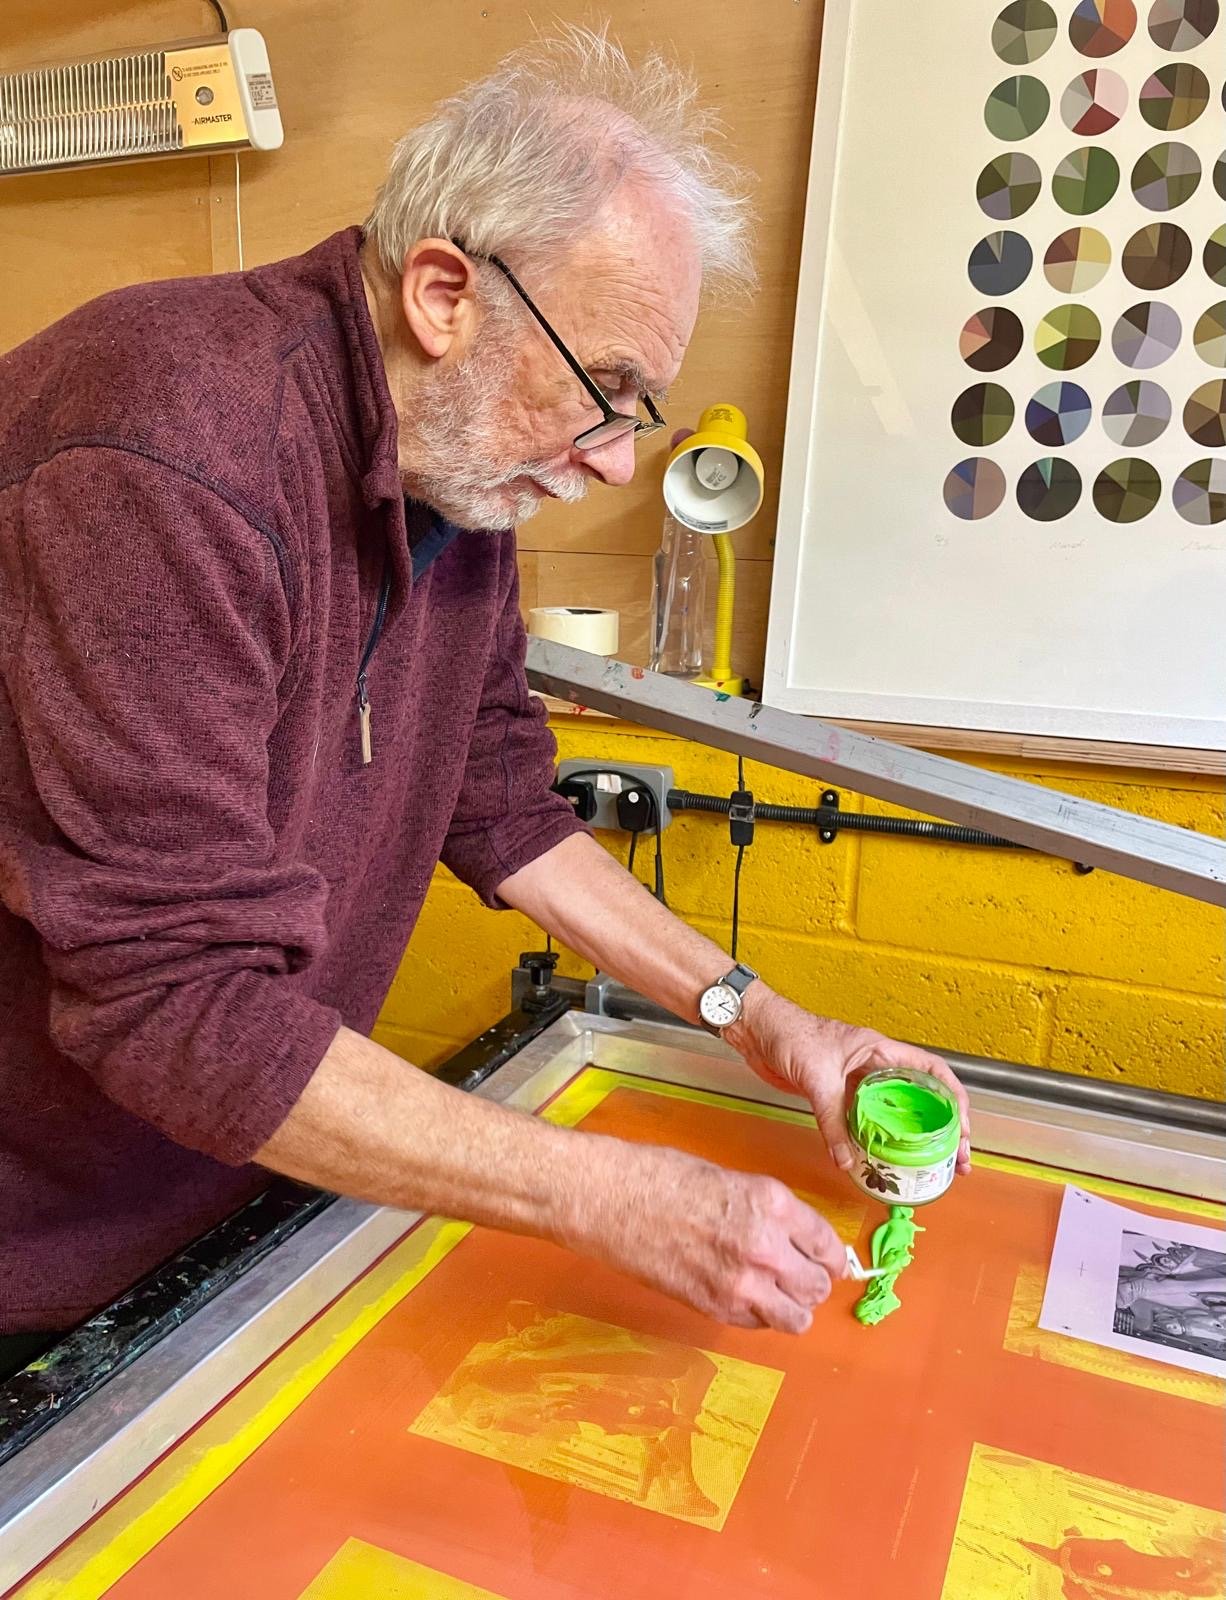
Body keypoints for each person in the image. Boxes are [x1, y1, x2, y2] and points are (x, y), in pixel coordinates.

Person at [0, 27, 970, 1377]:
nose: (616, 462)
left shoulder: (456, 463)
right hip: (35, 1233)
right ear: (445, 295)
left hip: (221, 1182)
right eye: (606, 390)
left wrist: (768, 1022)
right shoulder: (164, 451)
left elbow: (499, 800)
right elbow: (175, 1002)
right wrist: (604, 1193)